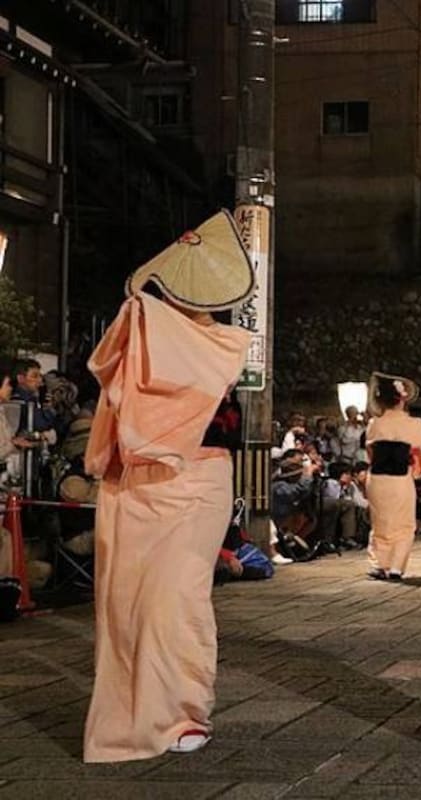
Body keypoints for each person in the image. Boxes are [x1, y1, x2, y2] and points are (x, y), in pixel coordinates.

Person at [82, 211, 253, 762]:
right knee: (126, 603)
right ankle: (130, 717)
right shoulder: (143, 330)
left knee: (174, 597)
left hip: (197, 480)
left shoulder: (218, 343)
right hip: (136, 483)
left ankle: (181, 710)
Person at [365, 372, 421, 581]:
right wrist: (417, 467)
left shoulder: (375, 424)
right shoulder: (415, 424)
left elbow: (370, 453)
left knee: (380, 521)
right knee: (403, 523)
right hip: (401, 478)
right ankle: (395, 566)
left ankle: (379, 564)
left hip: (377, 478)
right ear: (403, 398)